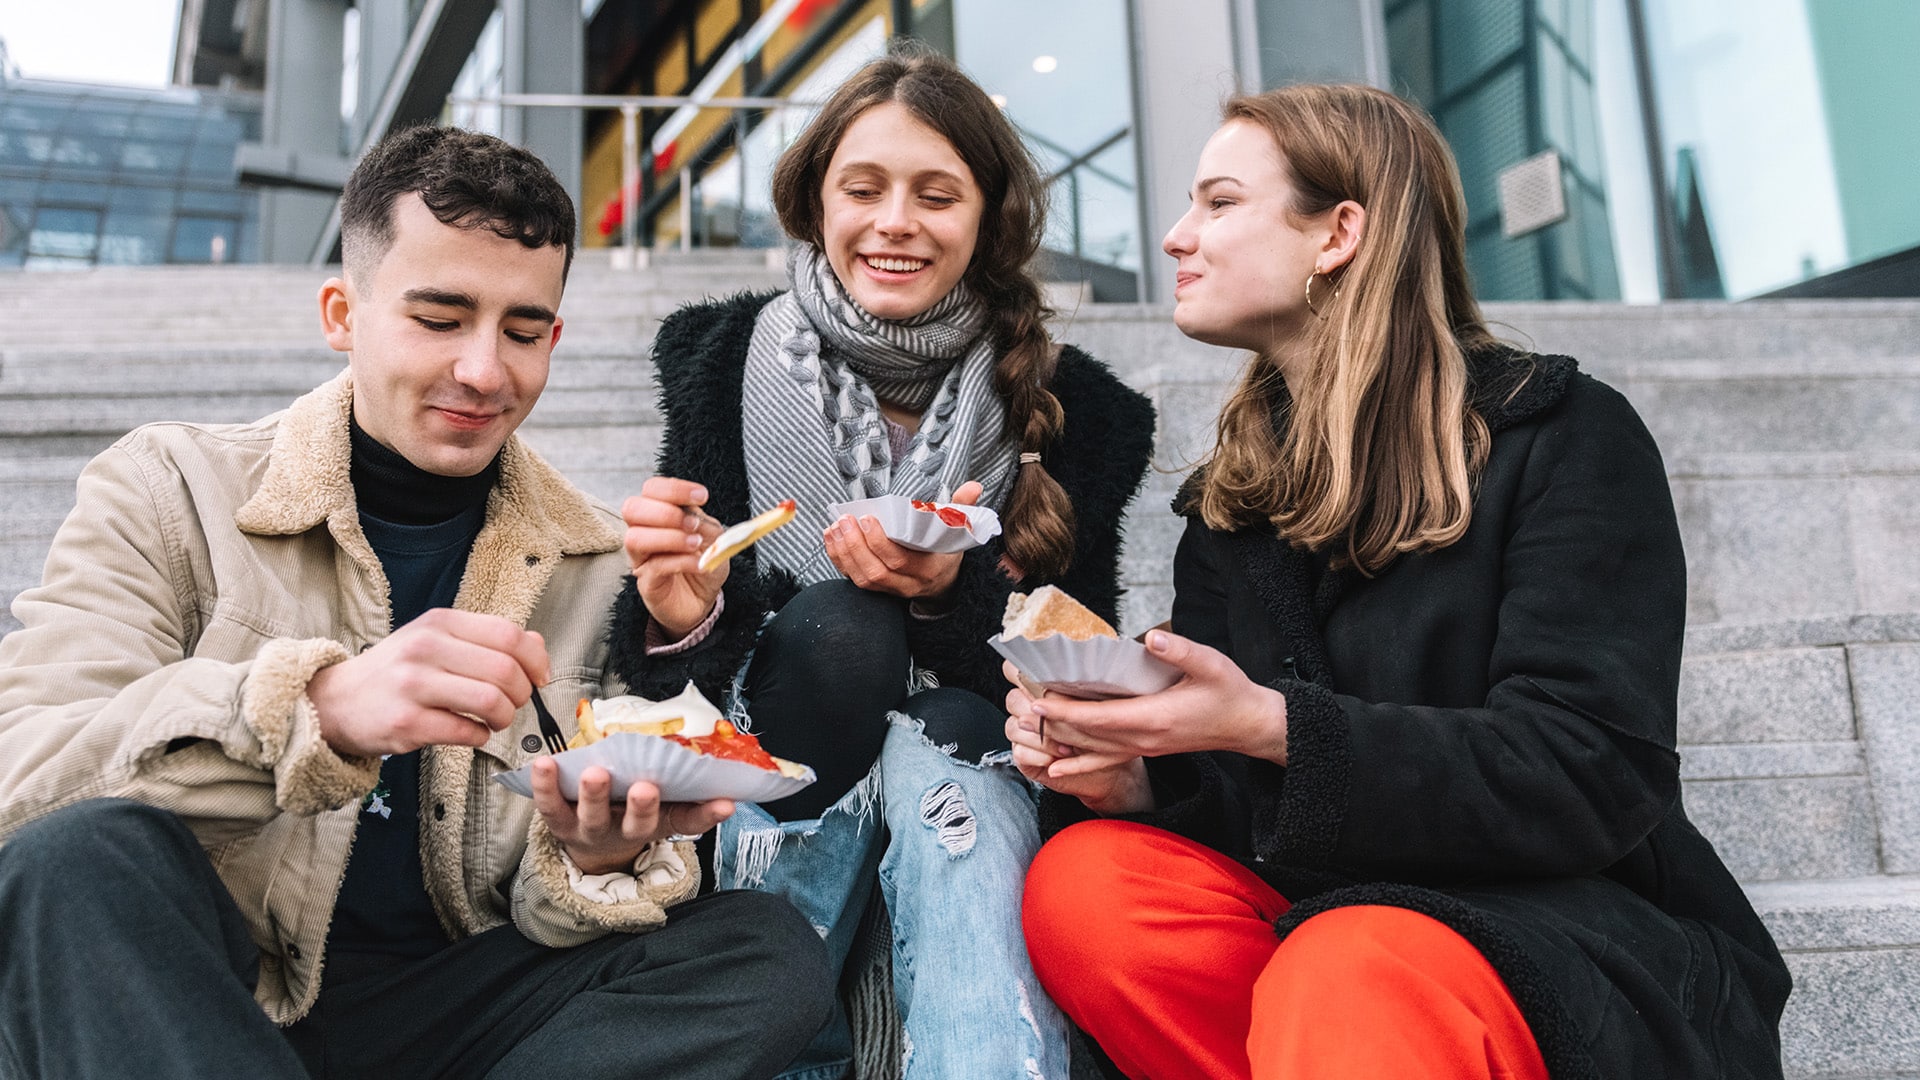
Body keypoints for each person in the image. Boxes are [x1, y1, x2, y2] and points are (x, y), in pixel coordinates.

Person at [0, 124, 832, 1080]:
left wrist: (595, 858)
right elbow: (23, 780)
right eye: (439, 319)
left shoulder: (603, 562)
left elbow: (547, 914)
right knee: (74, 860)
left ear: (554, 338)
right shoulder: (168, 488)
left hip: (453, 1007)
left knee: (760, 954)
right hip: (203, 1000)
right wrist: (317, 712)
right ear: (341, 314)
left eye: (523, 332)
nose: (484, 371)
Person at [1011, 85, 1792, 1080]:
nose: (1174, 236)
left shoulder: (1565, 439)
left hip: (1561, 929)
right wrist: (1138, 775)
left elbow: (1589, 772)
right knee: (1091, 886)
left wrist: (1268, 725)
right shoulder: (1236, 496)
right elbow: (1241, 800)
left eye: (1217, 203)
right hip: (1327, 924)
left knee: (1350, 963)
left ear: (1338, 232)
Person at [610, 47, 1155, 1080]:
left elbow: (1083, 671)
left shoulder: (1091, 412)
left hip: (974, 775)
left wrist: (952, 597)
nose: (895, 221)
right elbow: (653, 685)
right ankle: (776, 1031)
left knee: (948, 719)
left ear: (986, 219)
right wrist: (680, 614)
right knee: (840, 627)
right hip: (774, 762)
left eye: (935, 194)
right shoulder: (718, 358)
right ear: (817, 204)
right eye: (863, 188)